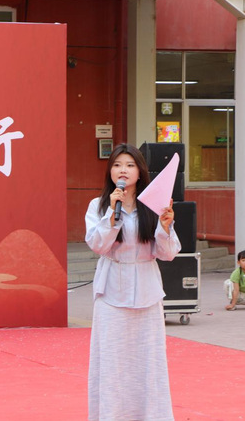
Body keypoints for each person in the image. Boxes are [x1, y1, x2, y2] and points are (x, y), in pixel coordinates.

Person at [85, 143, 181, 421]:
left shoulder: (153, 205)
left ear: (140, 171)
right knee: (112, 361)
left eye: (129, 165)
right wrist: (111, 215)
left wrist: (165, 228)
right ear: (110, 171)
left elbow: (168, 253)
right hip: (111, 292)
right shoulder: (99, 205)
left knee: (148, 361)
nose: (123, 170)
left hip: (147, 292)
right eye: (117, 165)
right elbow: (97, 245)